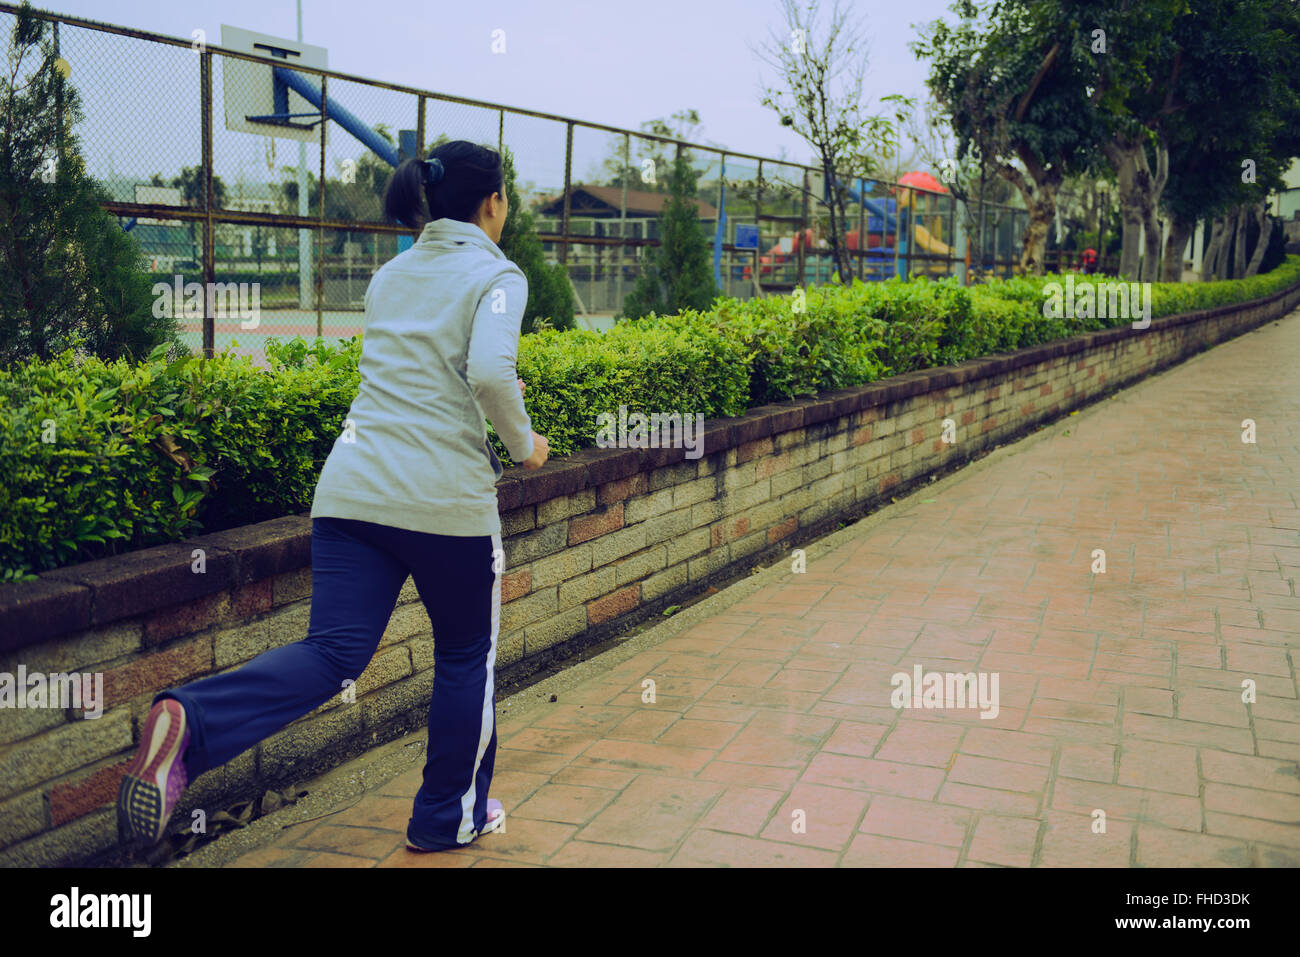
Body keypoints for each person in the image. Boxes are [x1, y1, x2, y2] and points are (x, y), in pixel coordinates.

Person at [117, 140, 549, 855]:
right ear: (493, 203)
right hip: (444, 504)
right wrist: (525, 443)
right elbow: (491, 374)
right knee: (467, 653)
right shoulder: (499, 275)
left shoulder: (391, 276)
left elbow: (422, 374)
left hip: (351, 493)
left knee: (332, 653)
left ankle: (191, 722)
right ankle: (447, 816)